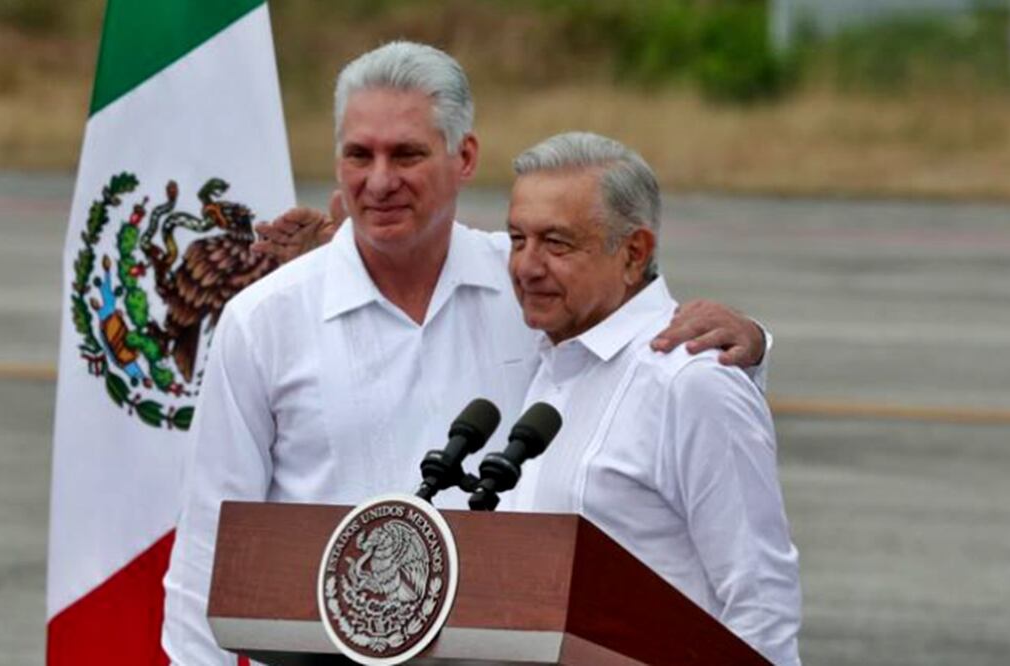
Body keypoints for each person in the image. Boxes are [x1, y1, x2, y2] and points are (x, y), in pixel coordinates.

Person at [162, 42, 770, 665]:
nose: (379, 181)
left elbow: (638, 357)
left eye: (407, 154)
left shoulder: (530, 288)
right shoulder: (265, 320)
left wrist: (750, 344)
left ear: (465, 157)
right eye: (358, 155)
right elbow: (209, 547)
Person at [504, 132, 801, 665]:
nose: (526, 266)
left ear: (634, 253)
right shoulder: (547, 357)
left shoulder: (691, 381)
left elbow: (760, 598)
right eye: (516, 239)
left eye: (556, 243)